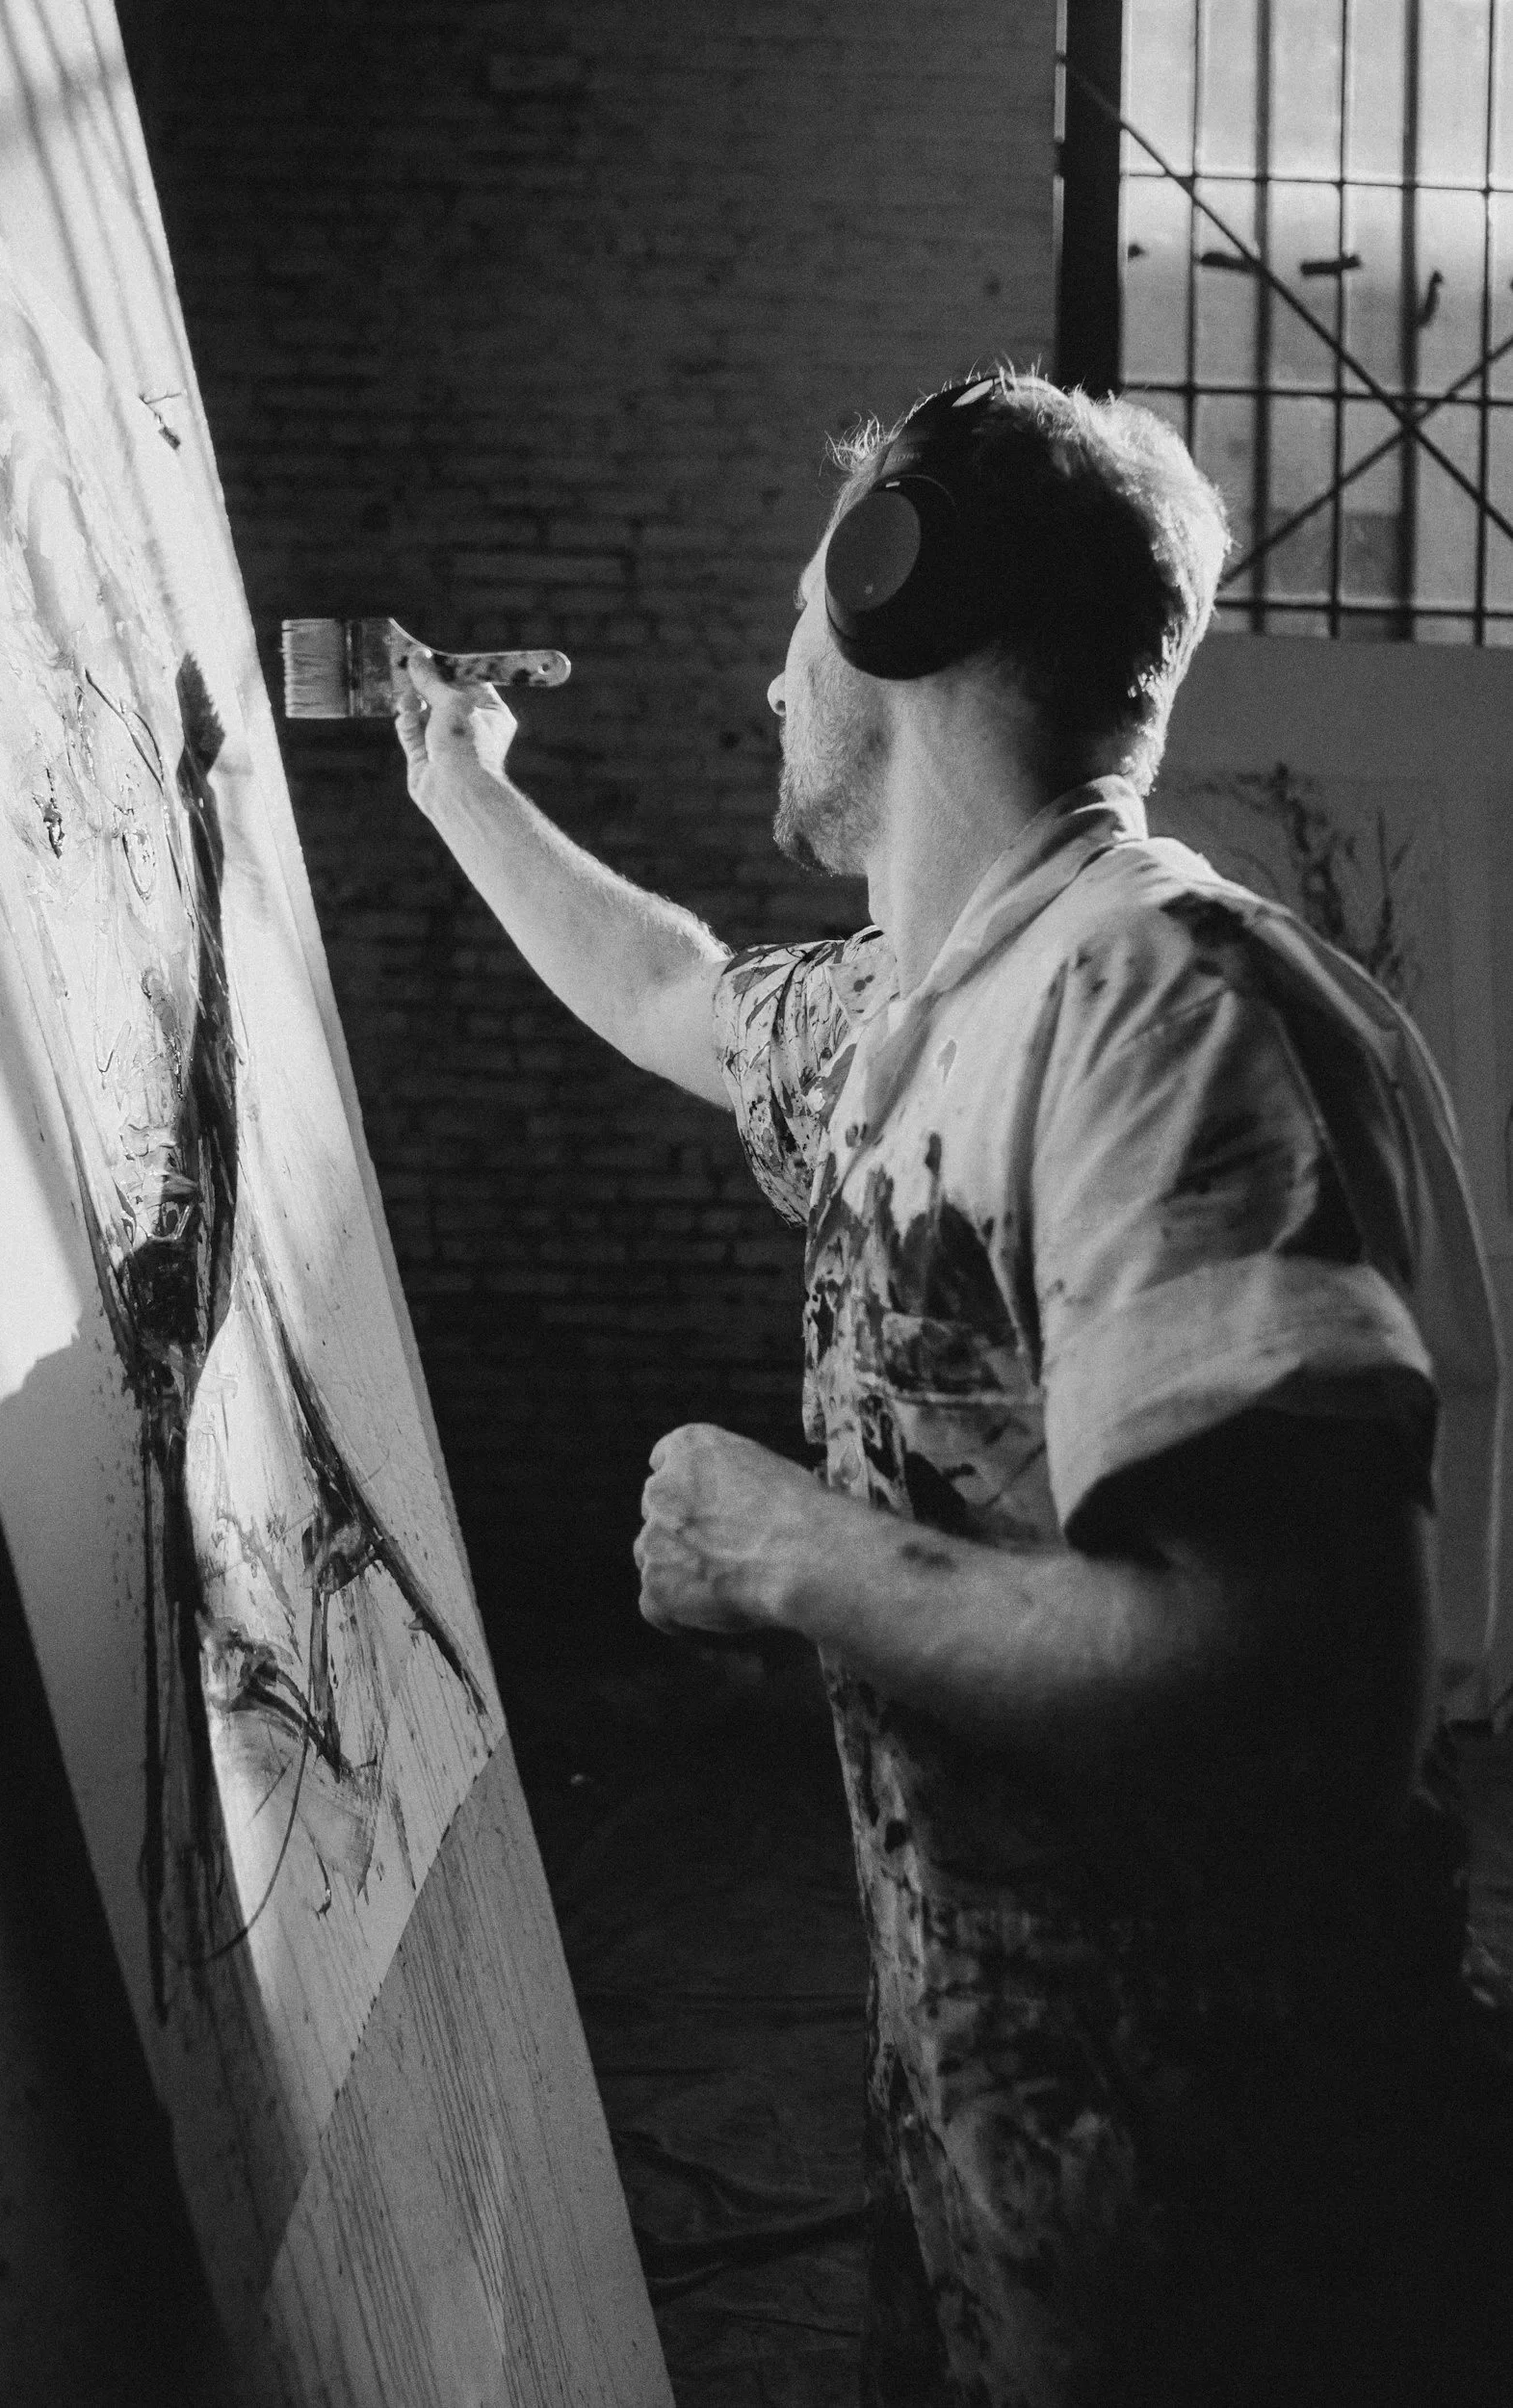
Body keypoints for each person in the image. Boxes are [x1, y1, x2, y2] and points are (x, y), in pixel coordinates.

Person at [392, 371, 1510, 2406]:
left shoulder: (1155, 1010)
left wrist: (789, 1549)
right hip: (1015, 2156)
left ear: (895, 604)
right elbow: (665, 983)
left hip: (1233, 2227)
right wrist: (460, 777)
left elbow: (1300, 1678)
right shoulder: (945, 999)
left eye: (795, 619)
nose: (764, 675)